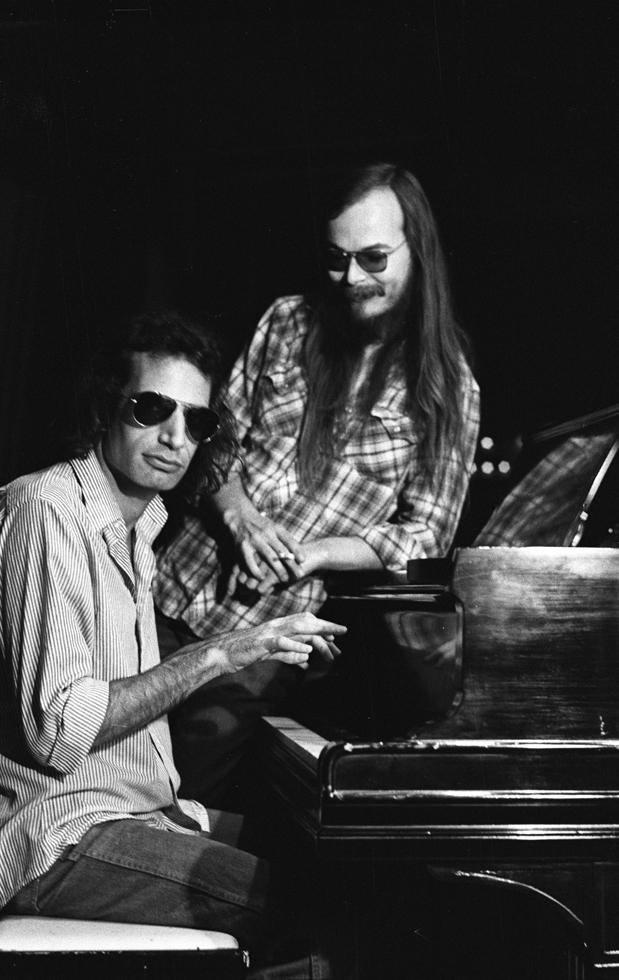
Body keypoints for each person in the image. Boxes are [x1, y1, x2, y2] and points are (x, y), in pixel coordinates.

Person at [0, 311, 349, 979]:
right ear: (106, 405)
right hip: (57, 836)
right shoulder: (46, 509)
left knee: (341, 863)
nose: (174, 436)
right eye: (152, 408)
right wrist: (218, 653)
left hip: (140, 813)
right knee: (313, 906)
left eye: (197, 420)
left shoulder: (140, 526)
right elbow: (59, 731)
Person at [154, 162, 480, 805]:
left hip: (266, 644)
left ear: (418, 251)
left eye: (373, 258)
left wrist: (316, 555)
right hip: (165, 594)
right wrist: (240, 515)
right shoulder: (287, 320)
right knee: (91, 777)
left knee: (180, 806)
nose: (352, 278)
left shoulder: (449, 387)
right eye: (336, 259)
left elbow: (426, 535)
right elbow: (215, 438)